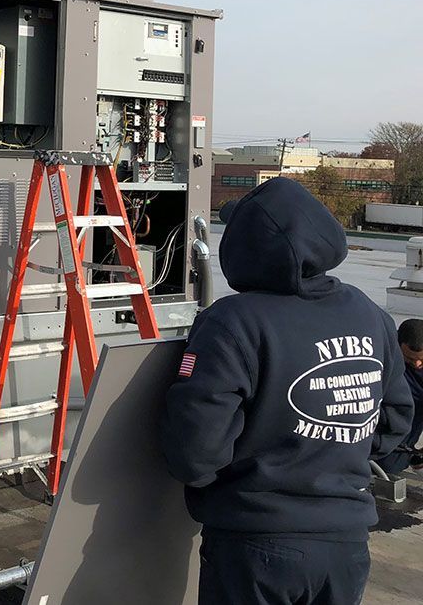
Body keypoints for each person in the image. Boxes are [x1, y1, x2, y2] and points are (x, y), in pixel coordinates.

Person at [159, 178, 414, 605]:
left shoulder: (234, 321)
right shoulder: (370, 315)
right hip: (346, 545)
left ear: (242, 249)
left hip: (255, 545)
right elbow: (393, 424)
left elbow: (196, 448)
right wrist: (334, 456)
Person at [376, 318, 423, 474]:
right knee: (386, 468)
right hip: (387, 424)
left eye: (422, 359)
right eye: (410, 358)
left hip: (414, 422)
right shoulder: (384, 352)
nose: (417, 364)